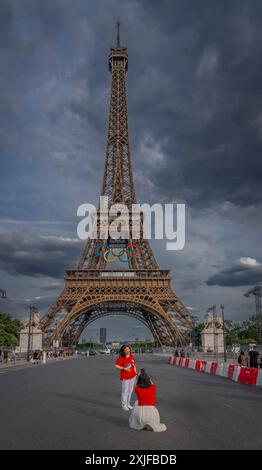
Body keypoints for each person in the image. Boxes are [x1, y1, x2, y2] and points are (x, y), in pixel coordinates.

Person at [115, 344, 137, 411]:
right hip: (125, 377)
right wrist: (125, 369)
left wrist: (135, 372)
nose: (127, 351)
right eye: (126, 350)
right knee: (125, 391)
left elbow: (134, 365)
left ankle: (128, 403)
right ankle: (123, 405)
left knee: (130, 391)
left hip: (133, 376)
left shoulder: (131, 356)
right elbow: (116, 366)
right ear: (123, 351)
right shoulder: (121, 358)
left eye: (128, 349)